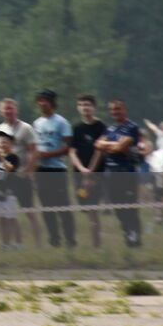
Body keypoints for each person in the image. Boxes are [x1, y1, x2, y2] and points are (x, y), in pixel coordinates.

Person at [94, 98, 143, 248]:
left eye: (118, 109)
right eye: (112, 110)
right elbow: (97, 144)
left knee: (130, 206)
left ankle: (134, 236)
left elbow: (120, 148)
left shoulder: (131, 127)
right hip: (111, 173)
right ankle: (127, 232)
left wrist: (108, 145)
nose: (115, 112)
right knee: (117, 206)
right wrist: (113, 145)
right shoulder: (110, 129)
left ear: (124, 110)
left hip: (127, 173)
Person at [31, 89, 76, 248]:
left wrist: (48, 155)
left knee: (62, 206)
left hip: (57, 169)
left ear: (52, 103)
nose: (42, 103)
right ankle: (54, 239)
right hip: (41, 170)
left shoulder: (61, 122)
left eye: (45, 100)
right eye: (40, 100)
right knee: (46, 207)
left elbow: (67, 147)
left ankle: (70, 239)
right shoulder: (37, 123)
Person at [0, 98, 41, 248]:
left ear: (16, 110)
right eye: (5, 109)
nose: (8, 111)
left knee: (29, 212)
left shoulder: (25, 128)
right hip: (6, 177)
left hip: (22, 175)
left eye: (11, 108)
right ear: (1, 111)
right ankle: (13, 244)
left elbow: (34, 151)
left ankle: (38, 245)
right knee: (9, 213)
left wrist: (29, 171)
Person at [70, 94, 107, 248]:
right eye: (82, 105)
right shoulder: (77, 128)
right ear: (79, 108)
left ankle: (96, 244)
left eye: (88, 105)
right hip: (79, 174)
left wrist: (90, 171)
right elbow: (72, 151)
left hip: (96, 174)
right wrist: (81, 169)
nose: (85, 108)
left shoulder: (101, 127)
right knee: (83, 203)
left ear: (94, 107)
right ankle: (94, 240)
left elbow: (100, 150)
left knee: (93, 208)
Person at [0, 132, 25, 250]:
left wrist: (2, 157)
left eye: (6, 142)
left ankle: (19, 244)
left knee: (12, 219)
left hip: (10, 193)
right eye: (2, 142)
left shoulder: (14, 157)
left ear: (11, 144)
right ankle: (5, 244)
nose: (3, 144)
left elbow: (10, 169)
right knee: (2, 219)